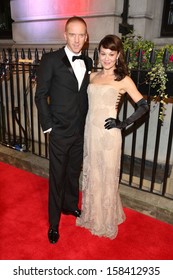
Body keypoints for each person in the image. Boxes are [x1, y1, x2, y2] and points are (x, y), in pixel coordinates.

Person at [76, 34, 149, 239]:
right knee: (93, 172)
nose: (106, 58)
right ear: (98, 54)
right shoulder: (92, 76)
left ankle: (105, 218)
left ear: (118, 55)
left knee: (106, 175)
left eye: (111, 54)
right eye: (103, 53)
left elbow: (143, 106)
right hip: (90, 132)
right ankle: (92, 214)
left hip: (109, 135)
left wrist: (122, 124)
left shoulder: (122, 79)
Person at [35, 16, 93, 244]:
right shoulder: (50, 60)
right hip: (59, 130)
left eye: (81, 35)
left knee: (72, 173)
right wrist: (48, 126)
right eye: (72, 34)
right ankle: (54, 222)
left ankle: (70, 206)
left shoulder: (87, 62)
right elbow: (41, 95)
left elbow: (83, 96)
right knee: (57, 177)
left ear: (86, 37)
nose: (77, 39)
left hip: (80, 130)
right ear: (65, 35)